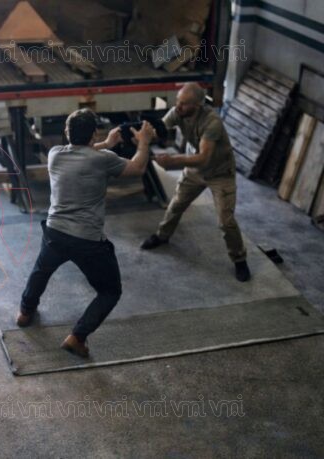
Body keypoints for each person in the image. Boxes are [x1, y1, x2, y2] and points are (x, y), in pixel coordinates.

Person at [17, 109, 155, 358]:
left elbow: (82, 153)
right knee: (110, 291)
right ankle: (77, 337)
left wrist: (105, 143)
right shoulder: (103, 159)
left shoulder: (55, 155)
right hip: (87, 240)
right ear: (93, 133)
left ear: (66, 133)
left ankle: (25, 312)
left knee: (42, 270)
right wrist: (144, 141)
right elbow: (137, 168)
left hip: (55, 232)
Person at [140, 82, 250, 282]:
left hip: (220, 173)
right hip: (195, 171)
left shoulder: (212, 122)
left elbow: (203, 158)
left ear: (197, 105)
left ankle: (239, 259)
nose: (178, 107)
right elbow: (160, 129)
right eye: (178, 101)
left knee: (226, 222)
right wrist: (143, 137)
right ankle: (162, 236)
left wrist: (172, 160)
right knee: (176, 205)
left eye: (183, 104)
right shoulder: (177, 112)